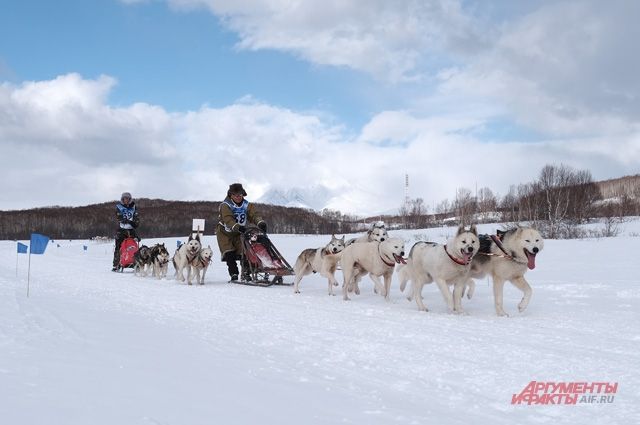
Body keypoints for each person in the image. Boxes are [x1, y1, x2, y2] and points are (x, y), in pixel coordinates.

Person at [216, 183, 267, 281]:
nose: (239, 197)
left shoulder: (246, 205)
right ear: (231, 195)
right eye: (236, 195)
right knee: (229, 253)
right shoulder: (225, 205)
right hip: (224, 233)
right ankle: (234, 274)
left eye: (240, 195)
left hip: (238, 232)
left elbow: (254, 215)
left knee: (245, 252)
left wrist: (260, 223)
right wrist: (237, 227)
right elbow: (228, 220)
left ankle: (246, 272)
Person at [112, 192, 140, 271]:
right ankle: (116, 264)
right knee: (118, 247)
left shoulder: (133, 207)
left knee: (134, 246)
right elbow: (119, 217)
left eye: (127, 198)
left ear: (130, 199)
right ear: (122, 199)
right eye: (124, 199)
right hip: (121, 230)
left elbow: (136, 219)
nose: (126, 200)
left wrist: (134, 223)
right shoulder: (119, 207)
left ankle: (135, 262)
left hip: (131, 230)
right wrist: (125, 220)